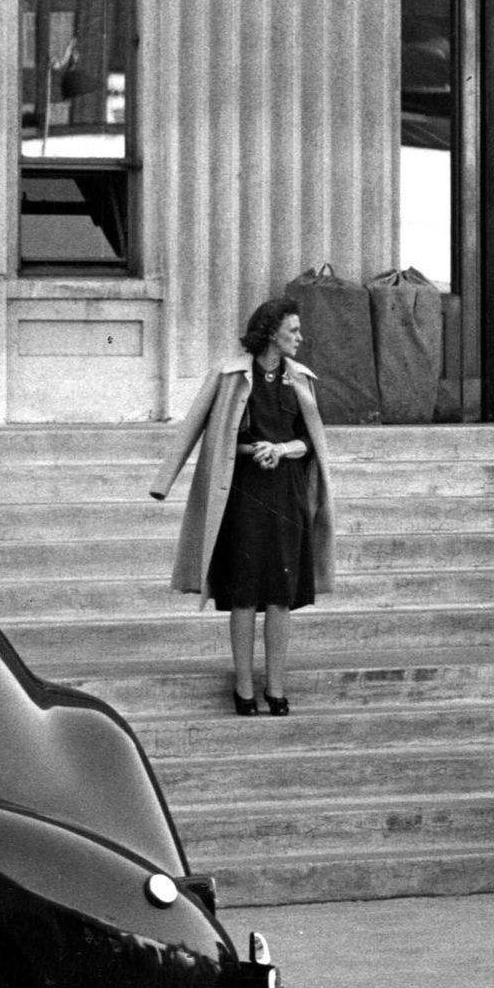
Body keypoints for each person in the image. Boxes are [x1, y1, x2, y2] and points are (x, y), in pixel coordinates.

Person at [149, 298, 335, 716]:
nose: (300, 338)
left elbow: (311, 441)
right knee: (245, 592)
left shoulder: (302, 379)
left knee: (281, 595)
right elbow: (194, 427)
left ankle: (277, 688)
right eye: (293, 330)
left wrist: (281, 449)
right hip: (242, 493)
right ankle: (244, 688)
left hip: (286, 494)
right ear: (270, 332)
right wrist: (164, 482)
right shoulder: (229, 375)